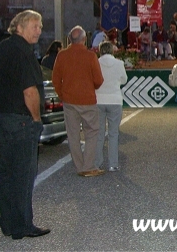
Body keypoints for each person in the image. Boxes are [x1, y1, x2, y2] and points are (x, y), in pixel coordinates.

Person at [0, 10, 50, 239]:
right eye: (35, 25)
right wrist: (36, 119)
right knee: (23, 173)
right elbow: (30, 91)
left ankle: (8, 223)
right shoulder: (23, 52)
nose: (39, 30)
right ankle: (22, 225)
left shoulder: (2, 48)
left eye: (40, 26)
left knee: (6, 172)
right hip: (19, 119)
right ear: (19, 27)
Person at [53, 26, 105, 177]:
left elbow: (56, 79)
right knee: (92, 131)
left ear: (69, 39)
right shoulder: (90, 56)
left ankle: (79, 166)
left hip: (69, 100)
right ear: (84, 39)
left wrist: (62, 94)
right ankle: (88, 166)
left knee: (73, 134)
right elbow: (98, 80)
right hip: (87, 100)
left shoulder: (62, 55)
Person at [95, 41, 128, 172]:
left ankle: (97, 162)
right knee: (113, 133)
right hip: (114, 100)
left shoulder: (96, 62)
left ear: (100, 50)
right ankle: (113, 163)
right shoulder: (119, 64)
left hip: (98, 100)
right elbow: (124, 79)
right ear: (112, 51)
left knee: (99, 133)